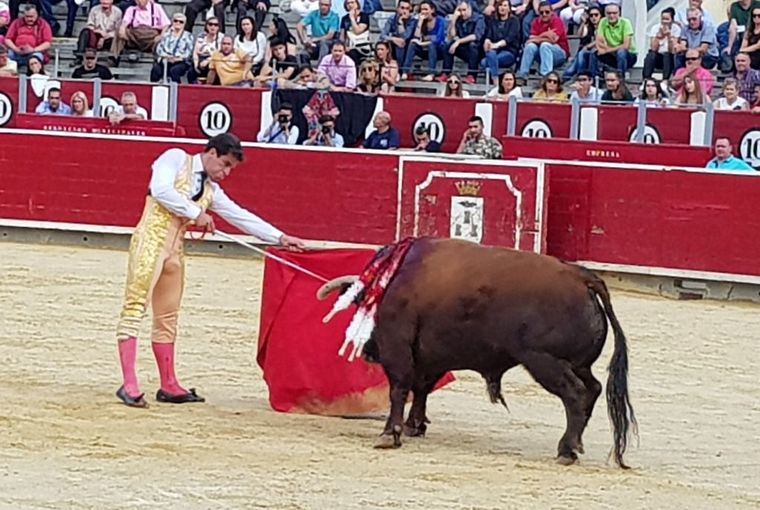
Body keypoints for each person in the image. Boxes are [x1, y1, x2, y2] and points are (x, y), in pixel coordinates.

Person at [114, 133, 305, 408]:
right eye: (225, 164)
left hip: (174, 253)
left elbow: (240, 215)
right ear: (212, 153)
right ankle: (129, 384)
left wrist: (280, 237)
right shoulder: (176, 158)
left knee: (168, 317)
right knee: (135, 309)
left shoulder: (210, 190)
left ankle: (168, 383)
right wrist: (195, 213)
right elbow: (160, 190)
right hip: (150, 244)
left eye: (230, 168)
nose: (226, 172)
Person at [516, 1, 568, 80]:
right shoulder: (536, 22)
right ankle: (523, 75)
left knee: (545, 45)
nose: (544, 14)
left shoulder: (557, 21)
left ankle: (546, 76)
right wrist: (546, 35)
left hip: (559, 54)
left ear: (552, 12)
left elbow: (553, 40)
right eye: (541, 12)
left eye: (547, 12)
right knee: (530, 46)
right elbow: (531, 39)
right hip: (542, 53)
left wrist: (538, 37)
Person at [400, 0, 446, 81]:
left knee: (432, 45)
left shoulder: (440, 20)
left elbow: (438, 39)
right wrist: (420, 22)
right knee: (412, 43)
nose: (423, 12)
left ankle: (431, 74)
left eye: (426, 9)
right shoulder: (419, 21)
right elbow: (416, 37)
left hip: (438, 50)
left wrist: (421, 43)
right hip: (424, 50)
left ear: (432, 10)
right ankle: (405, 72)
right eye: (422, 9)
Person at [441, 0, 486, 83]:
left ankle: (472, 75)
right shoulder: (459, 19)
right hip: (464, 48)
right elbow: (452, 36)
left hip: (478, 50)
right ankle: (446, 73)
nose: (462, 13)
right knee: (448, 44)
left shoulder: (479, 18)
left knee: (473, 45)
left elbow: (476, 36)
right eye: (460, 10)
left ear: (470, 9)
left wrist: (458, 42)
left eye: (464, 10)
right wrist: (453, 20)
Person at [480, 0, 521, 87]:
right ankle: (496, 81)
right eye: (500, 5)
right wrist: (486, 41)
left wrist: (495, 45)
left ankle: (495, 82)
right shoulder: (493, 21)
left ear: (509, 9)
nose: (502, 8)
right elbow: (489, 35)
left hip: (509, 52)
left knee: (487, 61)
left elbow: (509, 38)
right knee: (485, 61)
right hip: (494, 52)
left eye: (505, 6)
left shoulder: (514, 21)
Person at [75, 0, 122, 66]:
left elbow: (118, 30)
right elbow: (90, 25)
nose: (105, 2)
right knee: (85, 32)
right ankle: (79, 57)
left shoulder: (118, 12)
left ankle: (113, 59)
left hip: (109, 38)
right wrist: (100, 32)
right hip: (96, 36)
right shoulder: (94, 10)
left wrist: (104, 37)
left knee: (118, 38)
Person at [150, 12, 194, 83]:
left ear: (184, 24)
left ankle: (177, 91)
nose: (178, 23)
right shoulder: (166, 35)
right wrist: (166, 57)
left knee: (174, 71)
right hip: (166, 59)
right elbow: (160, 49)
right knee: (156, 69)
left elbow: (188, 52)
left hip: (180, 61)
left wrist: (177, 59)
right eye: (175, 21)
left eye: (181, 22)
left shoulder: (188, 36)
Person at [595, 2, 636, 76]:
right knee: (593, 53)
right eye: (609, 13)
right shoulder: (603, 22)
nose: (611, 16)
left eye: (614, 13)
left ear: (619, 13)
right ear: (605, 14)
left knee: (621, 52)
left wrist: (607, 50)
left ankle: (620, 78)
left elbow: (626, 46)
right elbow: (599, 42)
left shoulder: (625, 22)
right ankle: (595, 78)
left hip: (628, 56)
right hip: (611, 54)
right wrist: (604, 49)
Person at [643, 7, 679, 80]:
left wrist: (669, 36)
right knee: (650, 55)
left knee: (667, 55)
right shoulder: (655, 28)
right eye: (663, 19)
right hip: (658, 57)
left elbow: (673, 50)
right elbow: (653, 48)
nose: (664, 21)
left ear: (672, 20)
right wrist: (658, 37)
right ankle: (646, 79)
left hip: (670, 58)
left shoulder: (676, 29)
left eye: (667, 19)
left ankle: (665, 80)